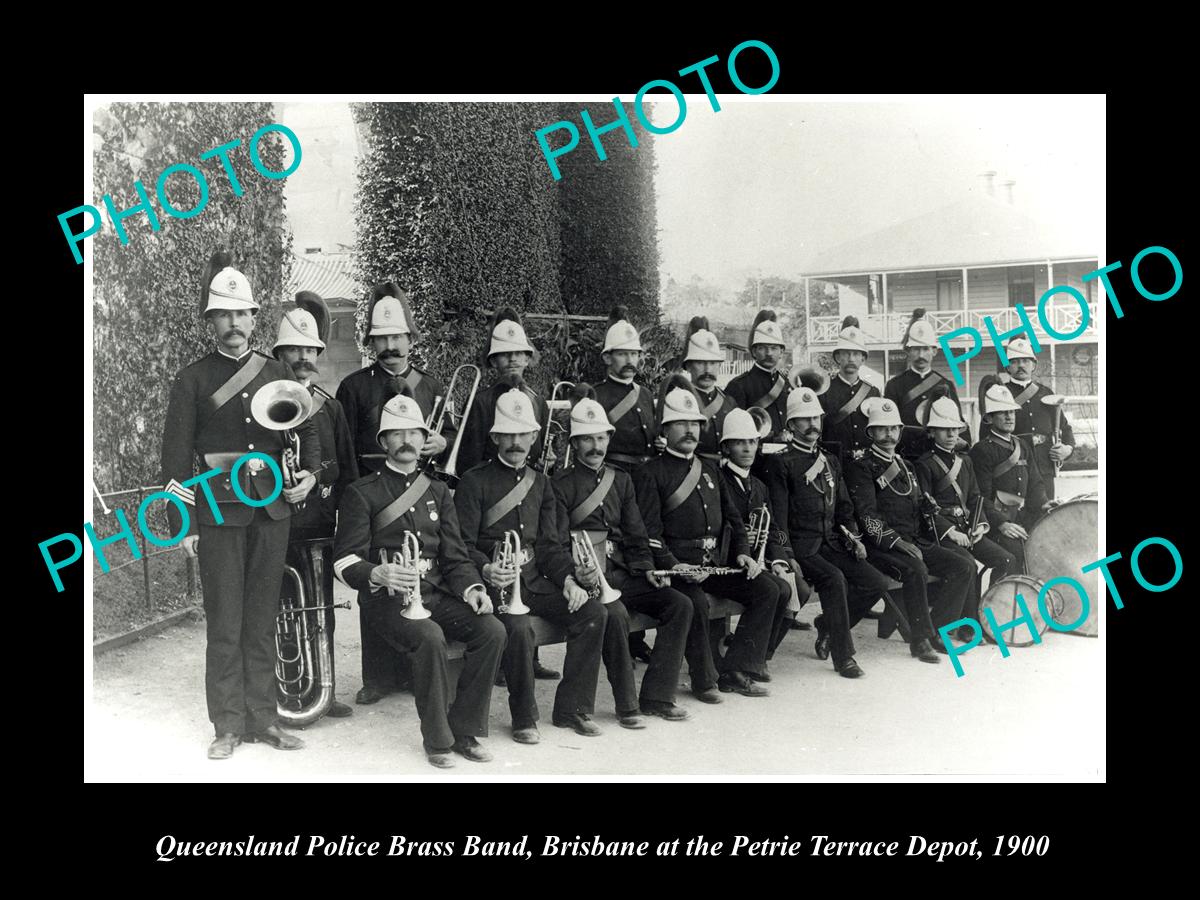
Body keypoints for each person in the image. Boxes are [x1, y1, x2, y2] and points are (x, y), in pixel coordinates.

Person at [160, 250, 320, 759]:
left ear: (254, 318)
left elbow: (308, 429)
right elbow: (173, 460)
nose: (233, 323)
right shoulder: (193, 379)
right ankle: (227, 725)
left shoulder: (277, 369)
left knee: (262, 618)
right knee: (225, 621)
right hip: (217, 512)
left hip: (269, 510)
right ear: (212, 321)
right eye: (223, 314)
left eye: (241, 313)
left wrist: (310, 476)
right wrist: (182, 521)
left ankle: (264, 720)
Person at [333, 395, 505, 768]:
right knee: (429, 638)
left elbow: (455, 556)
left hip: (434, 593)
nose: (407, 440)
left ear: (423, 436)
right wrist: (375, 573)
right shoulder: (361, 492)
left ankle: (466, 730)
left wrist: (474, 589)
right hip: (388, 601)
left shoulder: (438, 489)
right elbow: (344, 559)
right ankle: (438, 740)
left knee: (492, 630)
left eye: (413, 431)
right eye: (397, 434)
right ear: (384, 443)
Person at [454, 389, 606, 743]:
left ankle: (573, 709)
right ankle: (524, 717)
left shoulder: (541, 483)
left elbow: (550, 545)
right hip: (495, 586)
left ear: (535, 437)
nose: (516, 442)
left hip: (535, 582)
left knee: (594, 613)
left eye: (523, 434)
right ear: (494, 438)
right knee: (518, 628)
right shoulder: (475, 481)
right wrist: (485, 569)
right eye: (508, 434)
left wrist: (568, 578)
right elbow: (462, 544)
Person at [336, 283, 449, 706]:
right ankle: (378, 677)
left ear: (410, 339)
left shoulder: (432, 384)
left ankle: (416, 668)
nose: (389, 346)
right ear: (371, 343)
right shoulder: (353, 386)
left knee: (421, 578)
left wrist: (443, 443)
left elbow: (449, 433)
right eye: (380, 339)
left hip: (420, 490)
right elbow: (345, 450)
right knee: (376, 580)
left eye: (396, 337)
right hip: (370, 494)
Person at [552, 390, 694, 724]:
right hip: (586, 575)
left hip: (621, 573)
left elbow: (636, 534)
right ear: (574, 445)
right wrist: (575, 574)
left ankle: (657, 696)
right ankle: (624, 705)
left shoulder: (622, 480)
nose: (596, 446)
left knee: (679, 603)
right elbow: (555, 541)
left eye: (601, 437)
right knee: (614, 614)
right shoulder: (559, 484)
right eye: (587, 439)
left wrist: (646, 569)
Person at [634, 386, 782, 700]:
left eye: (695, 424)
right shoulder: (650, 473)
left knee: (767, 588)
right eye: (681, 423)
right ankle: (704, 680)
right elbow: (649, 535)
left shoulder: (710, 468)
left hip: (716, 566)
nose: (690, 430)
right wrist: (675, 566)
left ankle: (736, 669)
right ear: (665, 429)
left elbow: (733, 520)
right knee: (696, 604)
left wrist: (743, 553)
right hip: (679, 568)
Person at [270, 291, 358, 720]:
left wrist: (318, 477)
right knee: (278, 606)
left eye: (311, 349)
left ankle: (325, 688)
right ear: (280, 353)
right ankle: (282, 694)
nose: (304, 357)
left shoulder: (330, 405)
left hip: (319, 521)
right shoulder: (263, 400)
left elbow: (344, 466)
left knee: (321, 606)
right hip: (274, 520)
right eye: (295, 349)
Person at [762, 387, 888, 678]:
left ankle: (827, 626)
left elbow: (843, 507)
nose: (812, 425)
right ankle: (844, 656)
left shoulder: (830, 460)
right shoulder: (781, 463)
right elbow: (778, 519)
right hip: (802, 546)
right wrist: (786, 555)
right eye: (803, 420)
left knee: (875, 582)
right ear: (791, 425)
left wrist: (854, 538)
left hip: (831, 542)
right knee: (834, 579)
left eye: (815, 418)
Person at [843, 398, 976, 663]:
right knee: (917, 569)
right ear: (871, 432)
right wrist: (896, 542)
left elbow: (914, 506)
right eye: (882, 428)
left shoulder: (906, 465)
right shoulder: (861, 466)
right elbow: (866, 516)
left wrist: (927, 510)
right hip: (881, 546)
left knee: (964, 566)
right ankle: (920, 641)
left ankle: (938, 628)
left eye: (894, 428)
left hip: (914, 540)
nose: (889, 434)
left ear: (900, 431)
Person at [914, 397, 1016, 635]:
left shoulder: (966, 461)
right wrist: (951, 532)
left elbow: (976, 498)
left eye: (955, 429)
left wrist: (980, 524)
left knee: (1006, 559)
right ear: (932, 433)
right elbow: (923, 506)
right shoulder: (924, 464)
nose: (951, 434)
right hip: (941, 533)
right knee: (967, 564)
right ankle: (955, 626)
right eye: (944, 429)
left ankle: (987, 615)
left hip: (968, 528)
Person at [716, 408, 806, 673]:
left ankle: (761, 654)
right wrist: (742, 534)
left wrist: (778, 559)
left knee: (797, 588)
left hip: (759, 560)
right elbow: (717, 525)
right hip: (730, 560)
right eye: (740, 442)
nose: (747, 448)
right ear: (727, 447)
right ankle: (746, 661)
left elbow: (774, 527)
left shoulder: (759, 485)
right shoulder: (720, 480)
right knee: (774, 590)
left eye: (752, 442)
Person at [455, 307, 552, 474]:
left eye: (518, 353)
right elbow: (469, 463)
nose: (512, 359)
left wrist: (547, 463)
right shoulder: (480, 402)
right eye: (505, 354)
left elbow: (537, 454)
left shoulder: (538, 402)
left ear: (527, 358)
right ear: (493, 361)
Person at [978, 337, 1075, 500]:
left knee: (1046, 518)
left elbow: (1065, 429)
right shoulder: (1000, 394)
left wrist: (1067, 450)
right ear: (1007, 367)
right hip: (1012, 471)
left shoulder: (1046, 393)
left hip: (1044, 470)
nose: (1021, 365)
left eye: (1025, 361)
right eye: (1015, 361)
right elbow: (986, 437)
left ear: (1033, 365)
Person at [968, 383, 1049, 573]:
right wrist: (1002, 524)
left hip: (1022, 518)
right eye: (1002, 412)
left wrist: (1044, 503)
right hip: (995, 524)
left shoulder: (1022, 445)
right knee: (1015, 554)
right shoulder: (982, 450)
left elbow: (1035, 483)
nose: (1009, 417)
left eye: (1011, 412)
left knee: (1046, 544)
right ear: (989, 418)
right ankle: (999, 601)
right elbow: (980, 497)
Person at [884, 309, 965, 461]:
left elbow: (959, 425)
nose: (921, 355)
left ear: (934, 351)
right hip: (906, 458)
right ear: (908, 351)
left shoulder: (945, 385)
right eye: (916, 349)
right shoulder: (894, 385)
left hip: (938, 461)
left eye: (925, 349)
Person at [592, 306, 664, 473]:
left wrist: (660, 444)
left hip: (647, 475)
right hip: (614, 475)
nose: (629, 360)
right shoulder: (597, 395)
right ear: (607, 358)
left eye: (633, 354)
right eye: (622, 354)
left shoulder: (645, 394)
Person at [665, 317, 736, 462]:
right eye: (700, 363)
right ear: (688, 366)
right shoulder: (677, 400)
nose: (707, 369)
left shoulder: (729, 402)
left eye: (712, 363)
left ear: (719, 366)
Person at [725, 310, 791, 442]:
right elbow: (734, 431)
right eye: (763, 348)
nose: (769, 353)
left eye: (774, 348)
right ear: (754, 351)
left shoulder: (786, 383)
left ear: (781, 351)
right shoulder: (739, 386)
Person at [820, 317, 880, 462]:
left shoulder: (873, 392)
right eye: (846, 353)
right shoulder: (824, 389)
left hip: (866, 464)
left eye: (856, 354)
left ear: (863, 359)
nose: (851, 358)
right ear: (837, 357)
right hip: (834, 461)